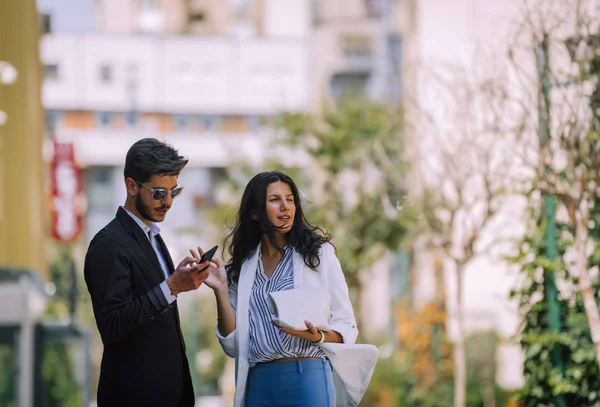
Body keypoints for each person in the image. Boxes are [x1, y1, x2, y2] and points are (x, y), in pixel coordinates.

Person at [192, 171, 358, 407]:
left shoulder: (319, 256)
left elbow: (346, 323)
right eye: (274, 200)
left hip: (307, 376)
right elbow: (232, 345)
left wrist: (318, 335)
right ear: (254, 212)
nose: (285, 207)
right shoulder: (240, 268)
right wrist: (219, 289)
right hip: (258, 383)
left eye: (290, 200)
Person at [84, 138, 212, 407]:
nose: (167, 202)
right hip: (133, 395)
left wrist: (178, 279)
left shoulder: (153, 237)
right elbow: (113, 325)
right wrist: (172, 287)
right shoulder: (108, 243)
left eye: (173, 192)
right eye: (158, 193)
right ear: (131, 186)